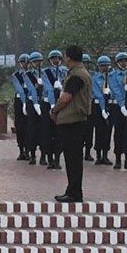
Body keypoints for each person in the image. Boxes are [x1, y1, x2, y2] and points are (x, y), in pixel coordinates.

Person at [49, 45, 92, 203]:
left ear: (68, 58)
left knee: (73, 158)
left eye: (65, 57)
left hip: (73, 121)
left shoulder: (77, 75)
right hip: (74, 120)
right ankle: (72, 189)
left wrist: (54, 110)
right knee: (72, 157)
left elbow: (66, 98)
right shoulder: (78, 73)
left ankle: (74, 192)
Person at [108, 52, 127, 170]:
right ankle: (118, 159)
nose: (124, 63)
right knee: (118, 132)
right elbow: (115, 91)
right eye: (121, 61)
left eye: (125, 60)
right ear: (117, 63)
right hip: (117, 107)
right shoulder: (113, 75)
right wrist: (121, 106)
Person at [91, 56, 113, 165]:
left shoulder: (112, 78)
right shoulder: (94, 78)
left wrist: (110, 93)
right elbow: (96, 93)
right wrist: (102, 107)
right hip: (98, 106)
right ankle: (98, 155)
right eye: (102, 65)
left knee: (108, 131)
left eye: (106, 65)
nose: (104, 67)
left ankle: (105, 154)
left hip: (110, 105)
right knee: (99, 130)